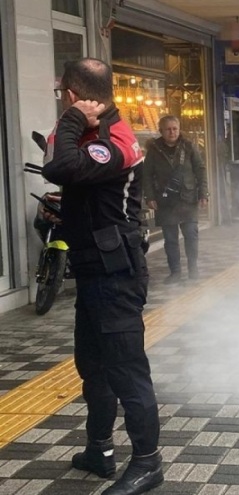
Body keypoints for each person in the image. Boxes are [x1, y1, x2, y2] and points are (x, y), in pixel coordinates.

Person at [41, 57, 163, 494]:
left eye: (64, 97)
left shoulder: (115, 138)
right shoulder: (88, 133)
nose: (62, 104)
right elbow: (55, 157)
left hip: (117, 276)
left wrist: (73, 119)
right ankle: (100, 449)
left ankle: (148, 462)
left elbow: (61, 168)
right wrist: (73, 123)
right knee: (92, 366)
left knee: (127, 369)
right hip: (93, 273)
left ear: (72, 95)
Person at [144, 115, 209, 284]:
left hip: (187, 197)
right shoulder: (154, 150)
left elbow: (200, 170)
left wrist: (203, 193)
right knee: (170, 239)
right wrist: (149, 196)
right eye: (168, 129)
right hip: (165, 200)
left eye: (175, 128)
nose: (172, 132)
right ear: (161, 131)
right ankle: (175, 272)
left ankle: (193, 269)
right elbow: (147, 175)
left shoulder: (189, 146)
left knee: (191, 235)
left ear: (179, 129)